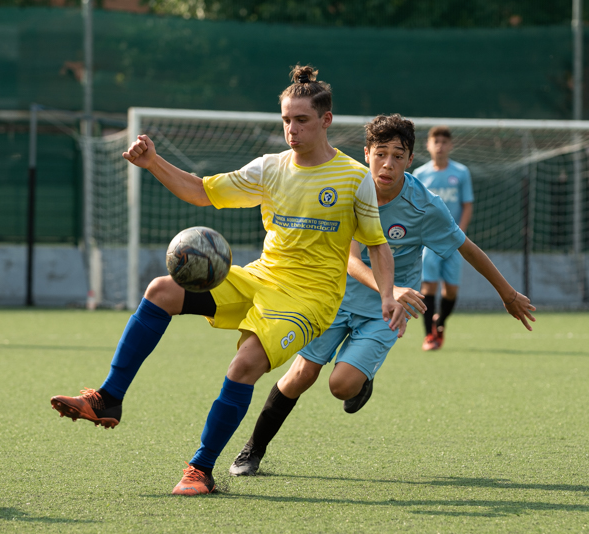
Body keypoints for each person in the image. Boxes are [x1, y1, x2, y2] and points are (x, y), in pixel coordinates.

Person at [49, 65, 407, 496]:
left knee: (244, 364)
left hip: (309, 301)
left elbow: (377, 246)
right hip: (259, 277)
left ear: (325, 120)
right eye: (286, 120)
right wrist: (152, 162)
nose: (292, 129)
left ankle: (200, 469)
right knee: (161, 291)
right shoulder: (270, 168)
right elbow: (201, 191)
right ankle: (109, 398)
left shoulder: (354, 178)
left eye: (302, 120)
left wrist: (387, 295)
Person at [228, 114, 536, 477]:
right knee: (301, 374)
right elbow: (350, 260)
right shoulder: (350, 187)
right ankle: (252, 451)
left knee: (341, 386)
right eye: (380, 154)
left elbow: (466, 247)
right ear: (366, 154)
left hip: (385, 311)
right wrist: (390, 288)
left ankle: (361, 379)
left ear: (410, 160)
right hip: (334, 297)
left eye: (398, 156)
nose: (388, 164)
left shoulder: (425, 206)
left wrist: (507, 294)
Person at [414, 126, 474, 351]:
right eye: (435, 141)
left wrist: (460, 234)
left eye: (444, 142)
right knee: (428, 286)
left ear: (451, 145)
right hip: (429, 241)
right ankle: (429, 336)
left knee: (451, 290)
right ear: (428, 145)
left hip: (454, 241)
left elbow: (467, 205)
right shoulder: (420, 174)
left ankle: (440, 322)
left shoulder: (461, 172)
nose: (440, 146)